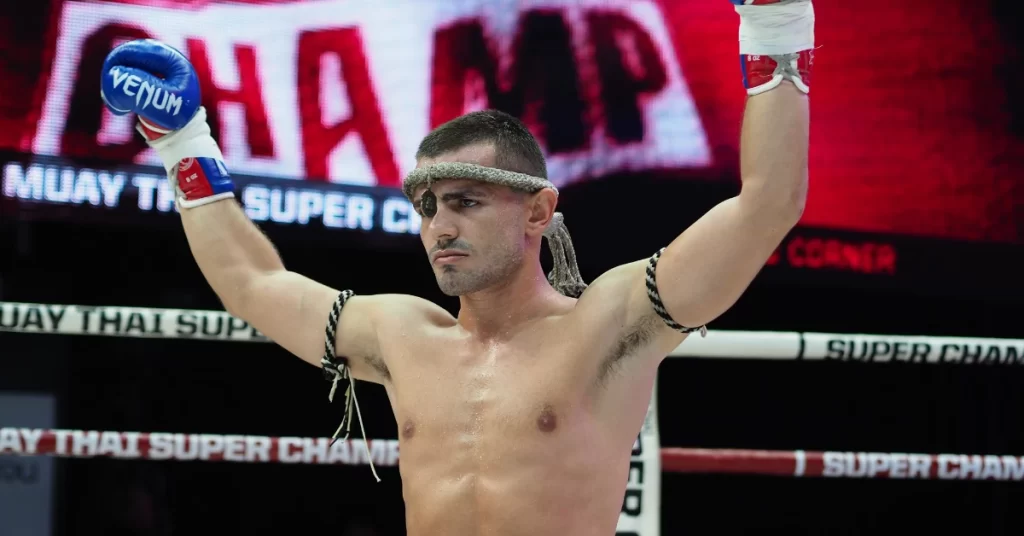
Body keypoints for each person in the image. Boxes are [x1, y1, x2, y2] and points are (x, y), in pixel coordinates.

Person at [99, 1, 813, 533]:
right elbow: (252, 284)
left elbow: (767, 205)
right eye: (430, 205)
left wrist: (775, 23)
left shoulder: (610, 325)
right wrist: (181, 143)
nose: (440, 226)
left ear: (538, 212)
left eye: (467, 201)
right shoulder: (402, 334)